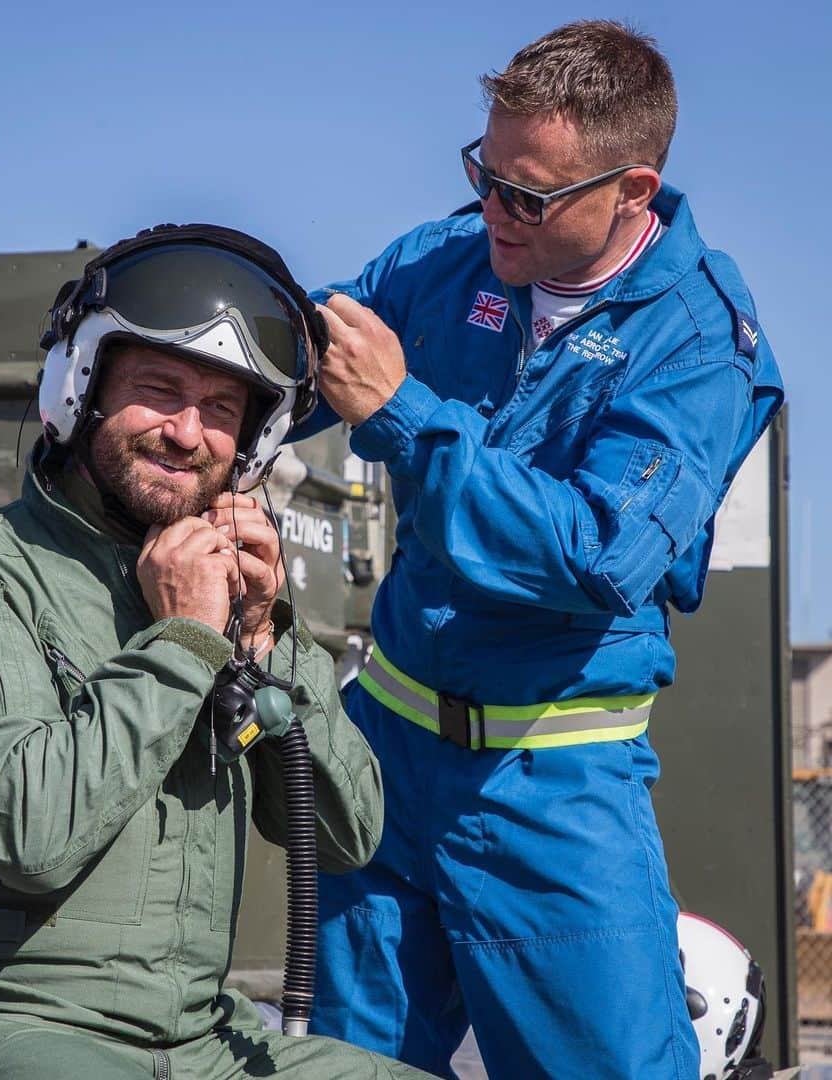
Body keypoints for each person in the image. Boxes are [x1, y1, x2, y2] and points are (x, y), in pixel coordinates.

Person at [300, 20, 784, 1080]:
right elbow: (304, 360)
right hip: (386, 763)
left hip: (550, 782)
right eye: (486, 173)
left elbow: (601, 555)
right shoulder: (444, 260)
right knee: (346, 1067)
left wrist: (406, 417)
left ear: (634, 189)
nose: (493, 212)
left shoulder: (698, 343)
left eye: (530, 195)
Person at [0, 224, 434, 1080]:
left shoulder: (233, 597)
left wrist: (267, 636)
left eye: (224, 410)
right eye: (159, 391)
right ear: (79, 388)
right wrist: (184, 643)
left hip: (199, 1042)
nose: (187, 432)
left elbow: (346, 836)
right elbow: (28, 834)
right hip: (4, 1025)